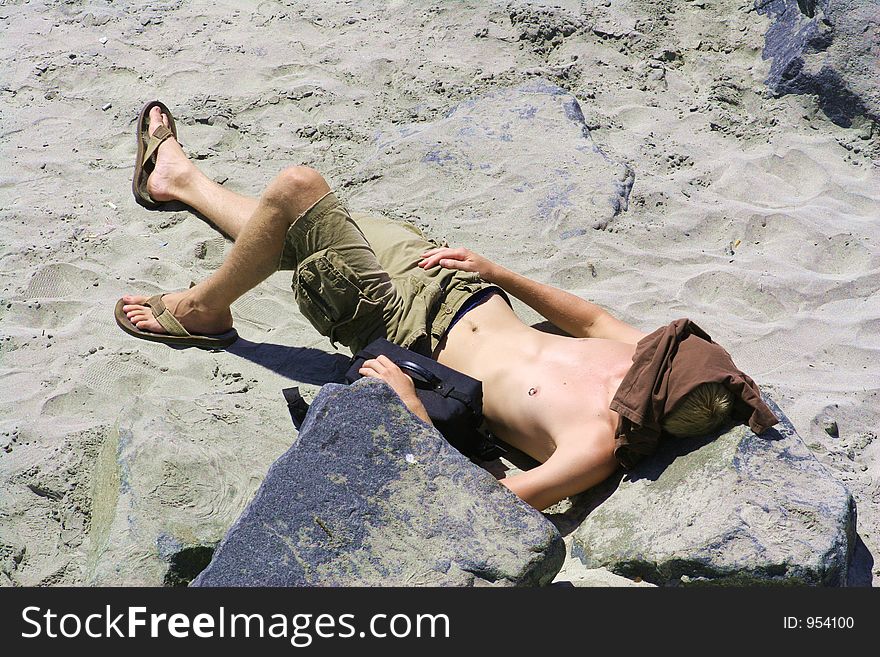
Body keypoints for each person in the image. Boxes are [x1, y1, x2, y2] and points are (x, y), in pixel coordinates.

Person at [118, 101, 777, 511]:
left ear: (658, 398)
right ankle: (179, 180)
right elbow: (590, 317)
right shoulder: (648, 357)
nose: (653, 349)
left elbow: (498, 498)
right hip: (457, 284)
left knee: (299, 191)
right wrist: (495, 270)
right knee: (301, 222)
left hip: (400, 327)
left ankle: (202, 309)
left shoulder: (596, 442)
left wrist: (410, 405)